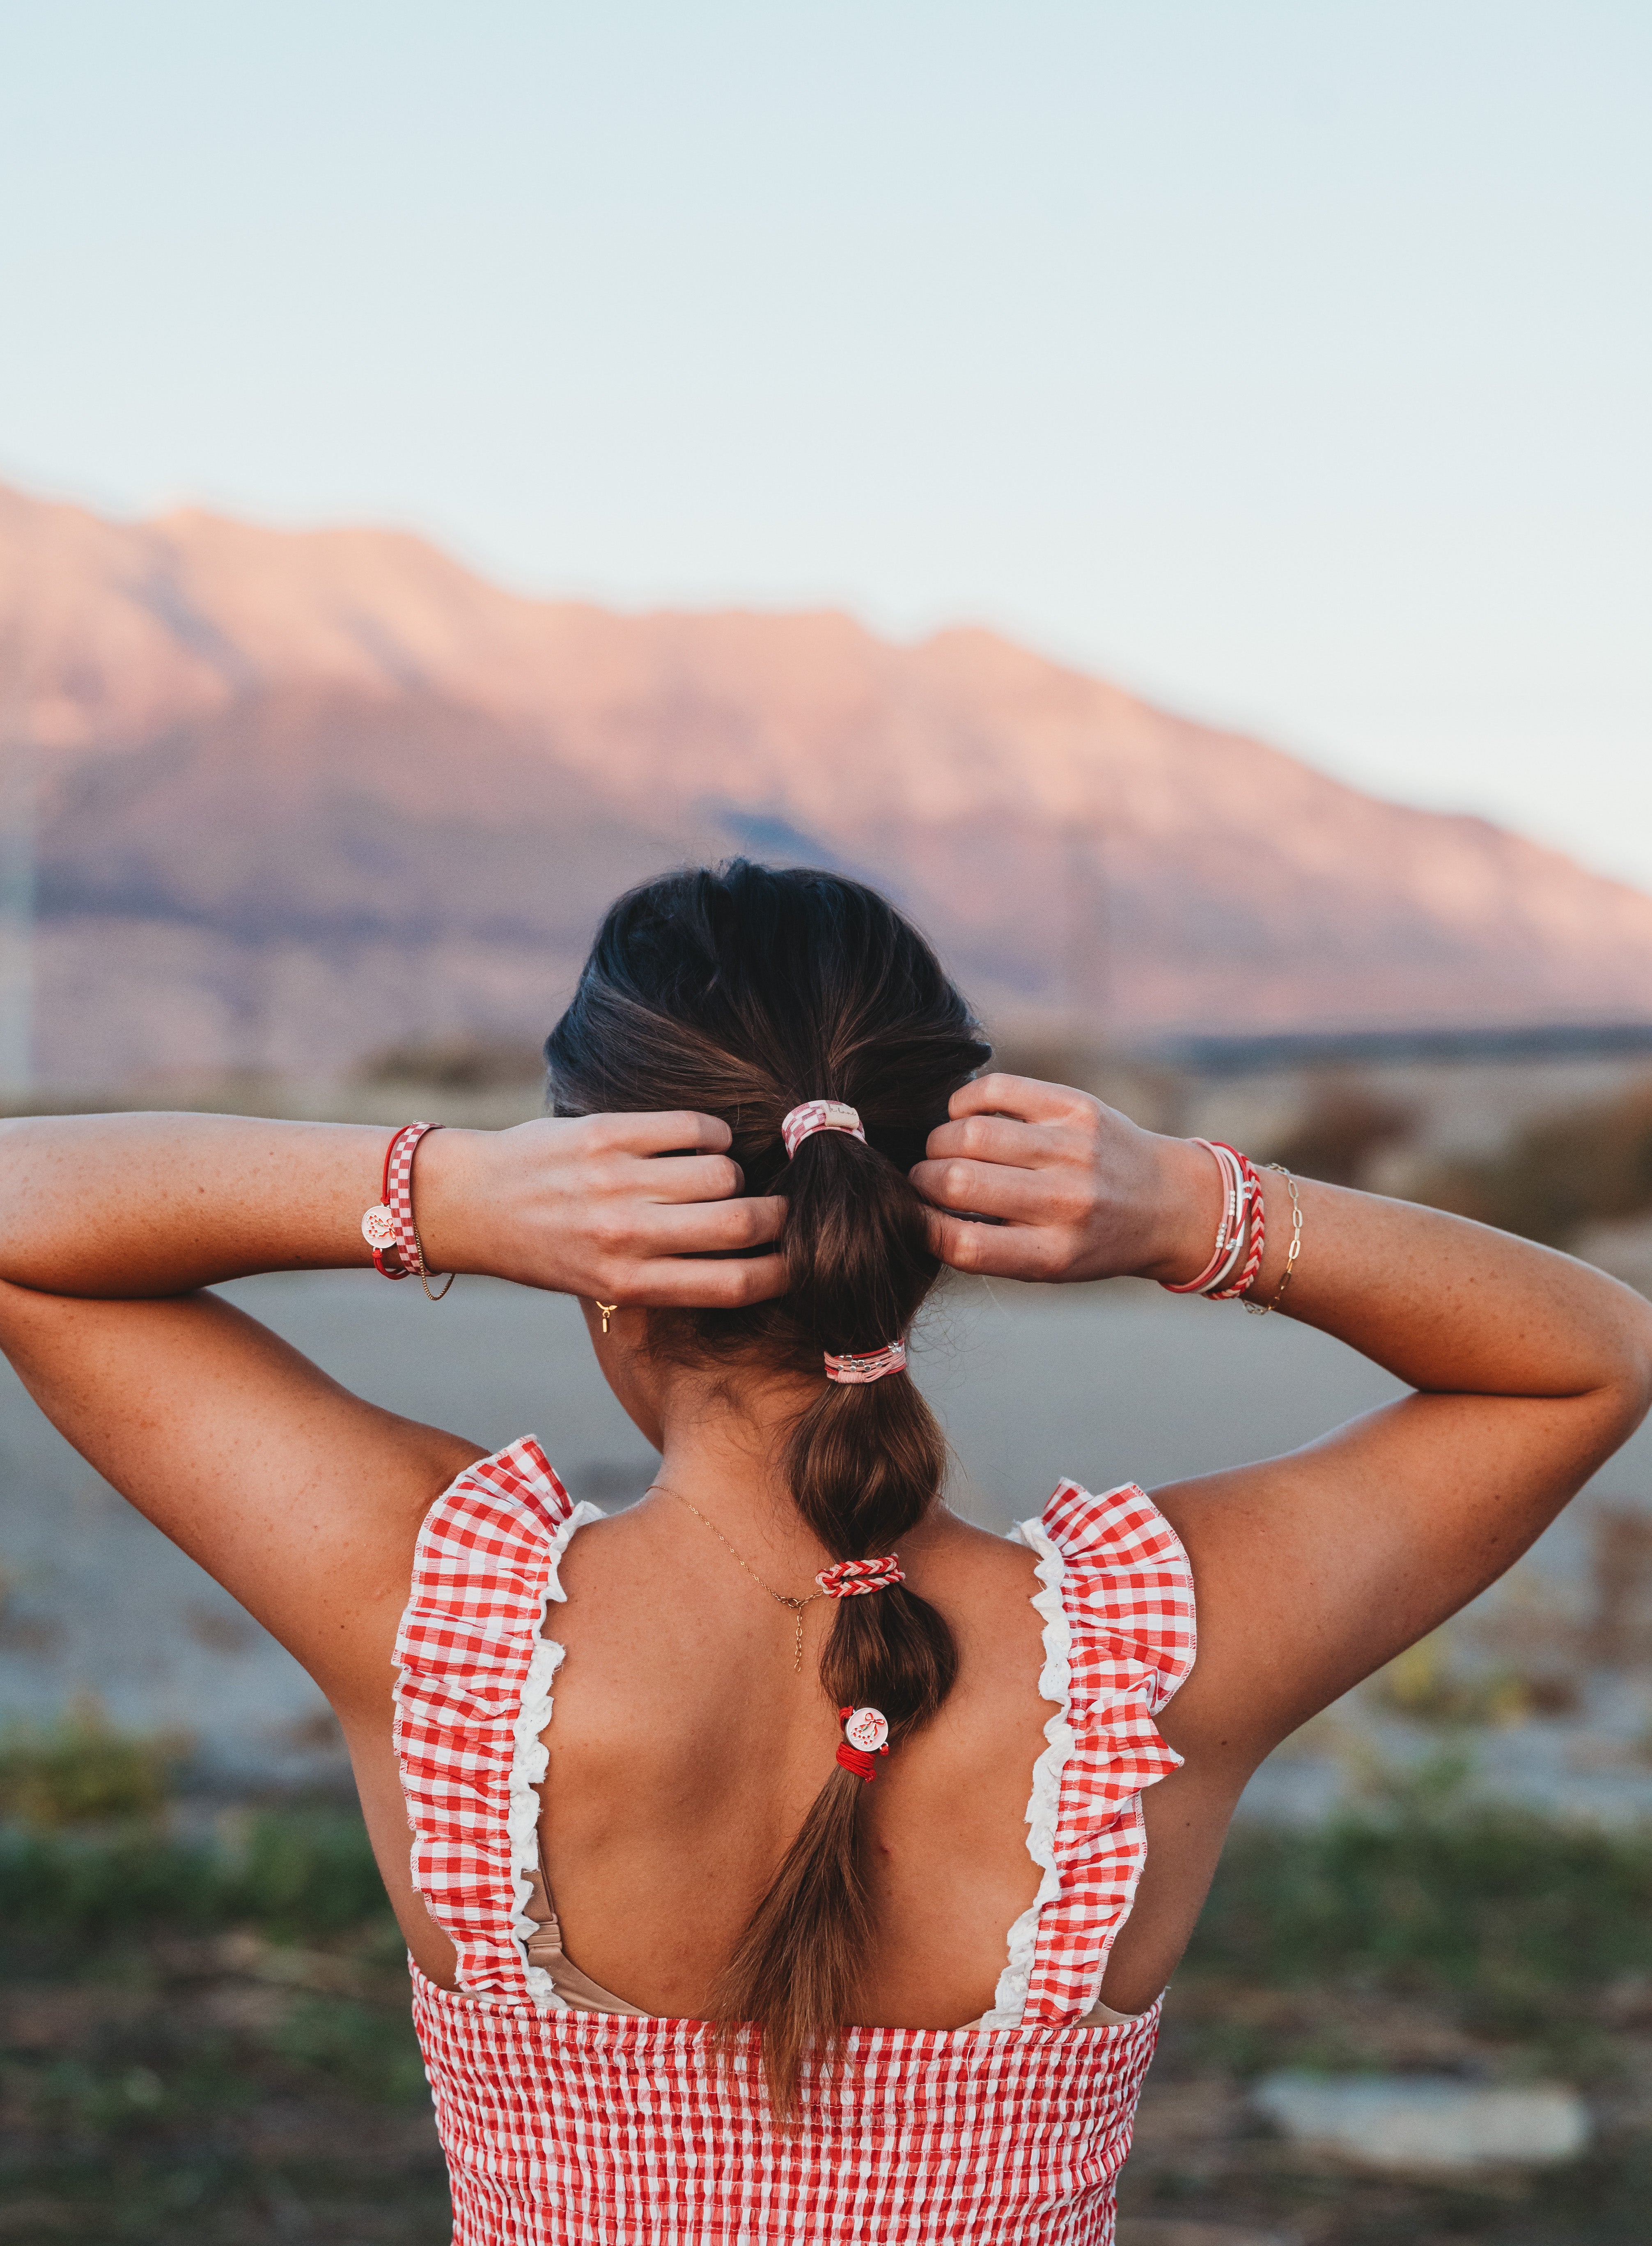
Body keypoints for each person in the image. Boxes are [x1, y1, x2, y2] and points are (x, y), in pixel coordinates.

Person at [0, 859, 1647, 2246]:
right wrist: (1190, 1210)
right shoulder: (1152, 1656)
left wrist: (445, 1193)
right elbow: (1592, 1356)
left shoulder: (448, 1618)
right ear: (917, 1241)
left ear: (600, 1254)